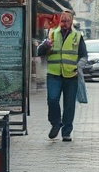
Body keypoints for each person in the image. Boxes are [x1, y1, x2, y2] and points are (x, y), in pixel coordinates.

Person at [36, 9, 87, 142]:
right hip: (54, 74)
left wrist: (79, 66)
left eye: (67, 20)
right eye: (63, 20)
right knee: (52, 100)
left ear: (72, 21)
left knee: (69, 104)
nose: (65, 23)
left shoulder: (77, 36)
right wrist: (46, 45)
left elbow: (84, 56)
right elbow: (39, 52)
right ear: (59, 21)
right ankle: (55, 123)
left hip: (71, 75)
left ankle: (66, 131)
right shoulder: (52, 33)